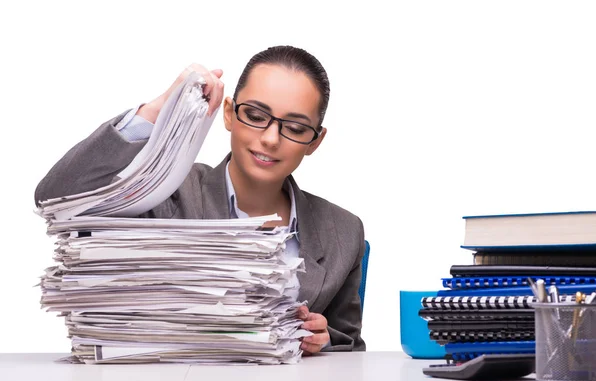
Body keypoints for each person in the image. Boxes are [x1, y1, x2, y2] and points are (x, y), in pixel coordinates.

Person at [35, 45, 366, 353]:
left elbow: (350, 349)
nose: (269, 138)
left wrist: (323, 341)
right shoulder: (166, 195)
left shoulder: (343, 232)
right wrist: (157, 111)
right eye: (255, 115)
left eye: (294, 127)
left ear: (315, 141)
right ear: (228, 114)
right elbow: (56, 196)